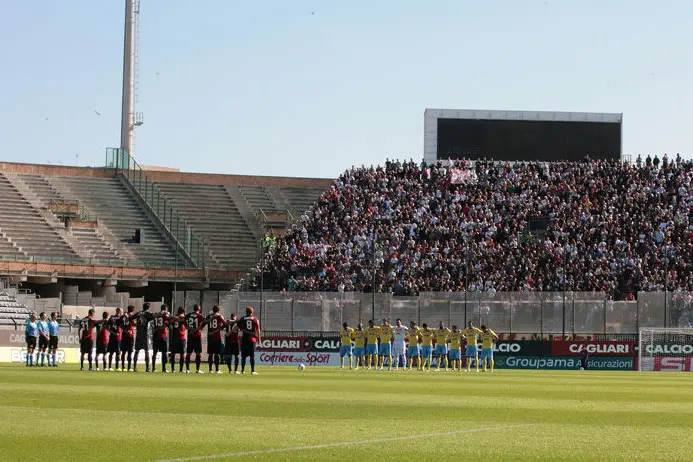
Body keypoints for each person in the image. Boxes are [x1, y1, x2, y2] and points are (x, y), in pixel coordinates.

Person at [237, 306, 261, 375]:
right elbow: (258, 330)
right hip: (252, 340)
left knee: (243, 356)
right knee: (252, 356)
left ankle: (242, 370)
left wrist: (244, 330)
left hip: (244, 339)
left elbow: (238, 326)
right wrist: (259, 338)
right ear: (252, 312)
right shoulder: (255, 319)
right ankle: (252, 371)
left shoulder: (242, 318)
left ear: (246, 312)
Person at [185, 304, 206, 374]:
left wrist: (188, 327)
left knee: (188, 353)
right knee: (198, 353)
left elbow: (183, 321)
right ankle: (197, 369)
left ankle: (187, 369)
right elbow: (205, 322)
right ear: (199, 309)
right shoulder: (200, 315)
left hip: (190, 336)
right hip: (197, 336)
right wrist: (199, 328)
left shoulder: (189, 315)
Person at [205, 305, 226, 374]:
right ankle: (217, 370)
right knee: (217, 354)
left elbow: (204, 323)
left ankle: (210, 370)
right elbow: (225, 324)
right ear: (218, 310)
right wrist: (218, 329)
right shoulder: (219, 316)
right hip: (217, 337)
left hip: (210, 336)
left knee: (210, 354)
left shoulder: (209, 316)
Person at [134, 303, 154, 372]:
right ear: (148, 307)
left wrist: (136, 324)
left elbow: (129, 319)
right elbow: (154, 316)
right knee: (147, 351)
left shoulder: (138, 313)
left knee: (136, 351)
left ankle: (134, 367)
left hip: (138, 335)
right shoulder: (148, 313)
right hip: (146, 335)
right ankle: (147, 368)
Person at [152, 305, 171, 373]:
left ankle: (153, 368)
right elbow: (165, 324)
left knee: (155, 352)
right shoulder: (165, 315)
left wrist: (156, 329)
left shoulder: (156, 315)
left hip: (156, 335)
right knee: (164, 352)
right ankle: (163, 368)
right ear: (165, 309)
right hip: (162, 335)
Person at [170, 307, 188, 373]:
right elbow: (186, 325)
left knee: (173, 353)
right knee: (182, 354)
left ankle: (173, 369)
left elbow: (170, 323)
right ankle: (181, 369)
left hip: (174, 337)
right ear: (183, 312)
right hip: (181, 337)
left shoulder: (174, 317)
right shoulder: (183, 318)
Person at [120, 305, 137, 372]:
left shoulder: (123, 316)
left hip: (124, 335)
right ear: (133, 310)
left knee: (123, 352)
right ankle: (129, 367)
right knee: (129, 352)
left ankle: (123, 367)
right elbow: (134, 324)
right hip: (130, 336)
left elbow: (120, 325)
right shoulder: (131, 316)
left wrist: (124, 330)